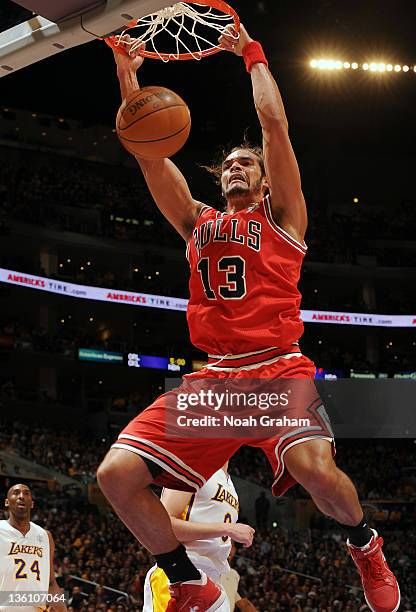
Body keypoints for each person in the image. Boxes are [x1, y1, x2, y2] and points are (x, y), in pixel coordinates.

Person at [98, 24, 400, 612]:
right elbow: (148, 153)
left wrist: (251, 53)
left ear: (263, 181)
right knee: (116, 476)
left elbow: (275, 126)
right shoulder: (197, 224)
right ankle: (185, 580)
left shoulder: (283, 218)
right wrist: (128, 77)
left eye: (246, 164)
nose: (236, 168)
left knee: (314, 470)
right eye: (229, 165)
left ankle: (364, 544)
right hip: (215, 380)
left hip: (277, 368)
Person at [143, 464, 254, 611]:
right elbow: (162, 526)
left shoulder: (229, 484)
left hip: (215, 584)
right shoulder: (191, 464)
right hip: (181, 574)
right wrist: (228, 529)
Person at [0, 483, 67, 612]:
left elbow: (50, 583)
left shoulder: (45, 536)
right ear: (7, 502)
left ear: (32, 504)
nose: (21, 496)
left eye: (26, 493)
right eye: (16, 493)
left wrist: (63, 610)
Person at [219, 543, 257, 612]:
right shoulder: (202, 566)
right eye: (226, 543)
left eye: (232, 546)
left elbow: (245, 604)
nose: (230, 549)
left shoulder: (234, 575)